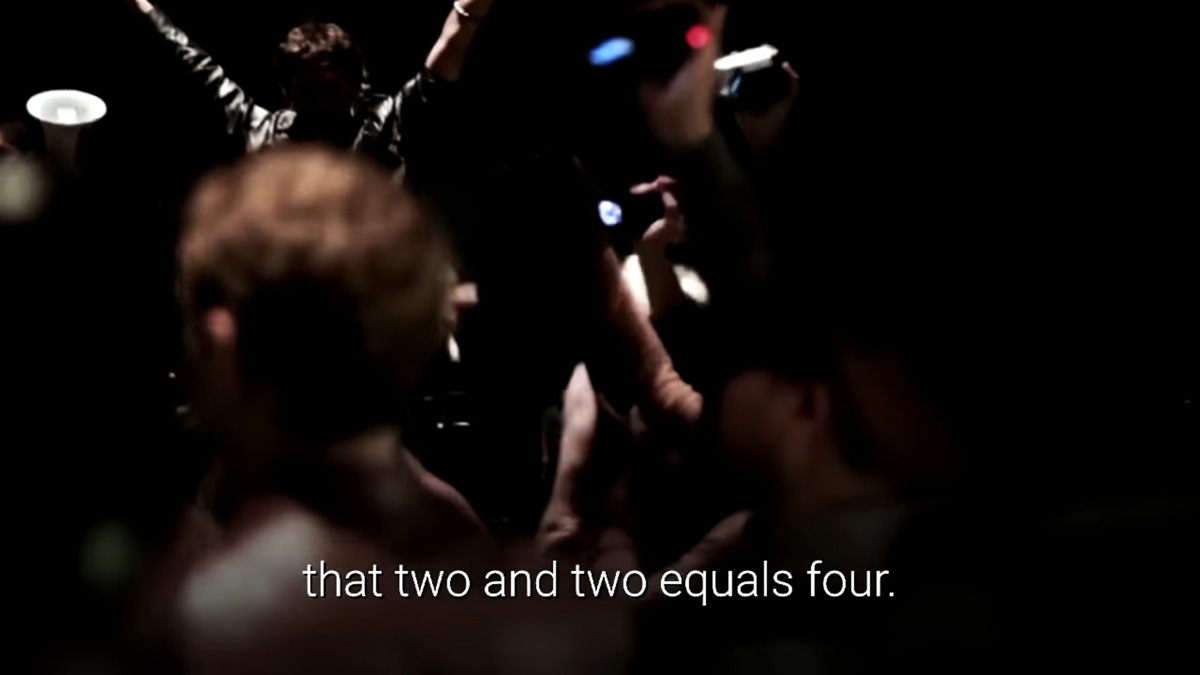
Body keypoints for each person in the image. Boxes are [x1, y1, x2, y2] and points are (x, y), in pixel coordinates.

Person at [124, 0, 494, 173]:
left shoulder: (383, 129)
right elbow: (190, 62)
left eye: (328, 89)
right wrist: (141, 6)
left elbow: (450, 47)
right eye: (306, 91)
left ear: (354, 86)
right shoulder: (261, 131)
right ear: (287, 92)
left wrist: (471, 10)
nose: (317, 103)